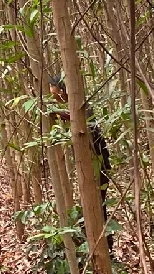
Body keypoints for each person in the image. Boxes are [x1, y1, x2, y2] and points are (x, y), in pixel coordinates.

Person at [49, 75, 112, 248]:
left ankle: (106, 246)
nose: (56, 99)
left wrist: (58, 114)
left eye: (56, 96)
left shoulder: (82, 105)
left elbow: (82, 122)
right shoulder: (70, 106)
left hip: (99, 160)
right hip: (88, 165)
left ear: (63, 91)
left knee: (99, 205)